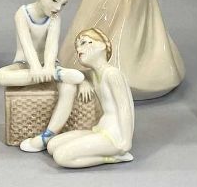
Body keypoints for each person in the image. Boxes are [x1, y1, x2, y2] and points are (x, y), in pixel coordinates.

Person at [0, 0, 85, 152]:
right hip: (24, 64)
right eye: (54, 0)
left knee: (69, 88)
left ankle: (47, 136)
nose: (58, 8)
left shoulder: (55, 18)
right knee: (1, 76)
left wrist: (49, 66)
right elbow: (26, 43)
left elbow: (52, 45)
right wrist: (36, 67)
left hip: (49, 65)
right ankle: (59, 75)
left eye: (63, 4)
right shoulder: (22, 13)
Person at [48, 28, 134, 168]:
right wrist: (83, 82)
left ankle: (114, 157)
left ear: (102, 45)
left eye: (83, 43)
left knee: (60, 156)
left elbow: (125, 108)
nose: (78, 50)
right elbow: (75, 74)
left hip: (114, 136)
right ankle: (103, 151)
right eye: (77, 47)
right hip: (100, 129)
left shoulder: (112, 74)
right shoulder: (93, 74)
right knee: (52, 145)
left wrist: (126, 141)